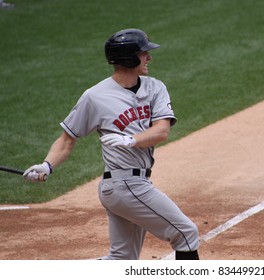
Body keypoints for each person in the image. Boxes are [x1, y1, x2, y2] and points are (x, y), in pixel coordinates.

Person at [23, 28, 200, 260]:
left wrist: (130, 140)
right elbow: (67, 139)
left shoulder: (155, 87)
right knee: (186, 234)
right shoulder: (95, 96)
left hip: (130, 184)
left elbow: (162, 130)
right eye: (143, 52)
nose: (149, 57)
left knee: (122, 260)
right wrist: (47, 165)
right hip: (125, 186)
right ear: (129, 57)